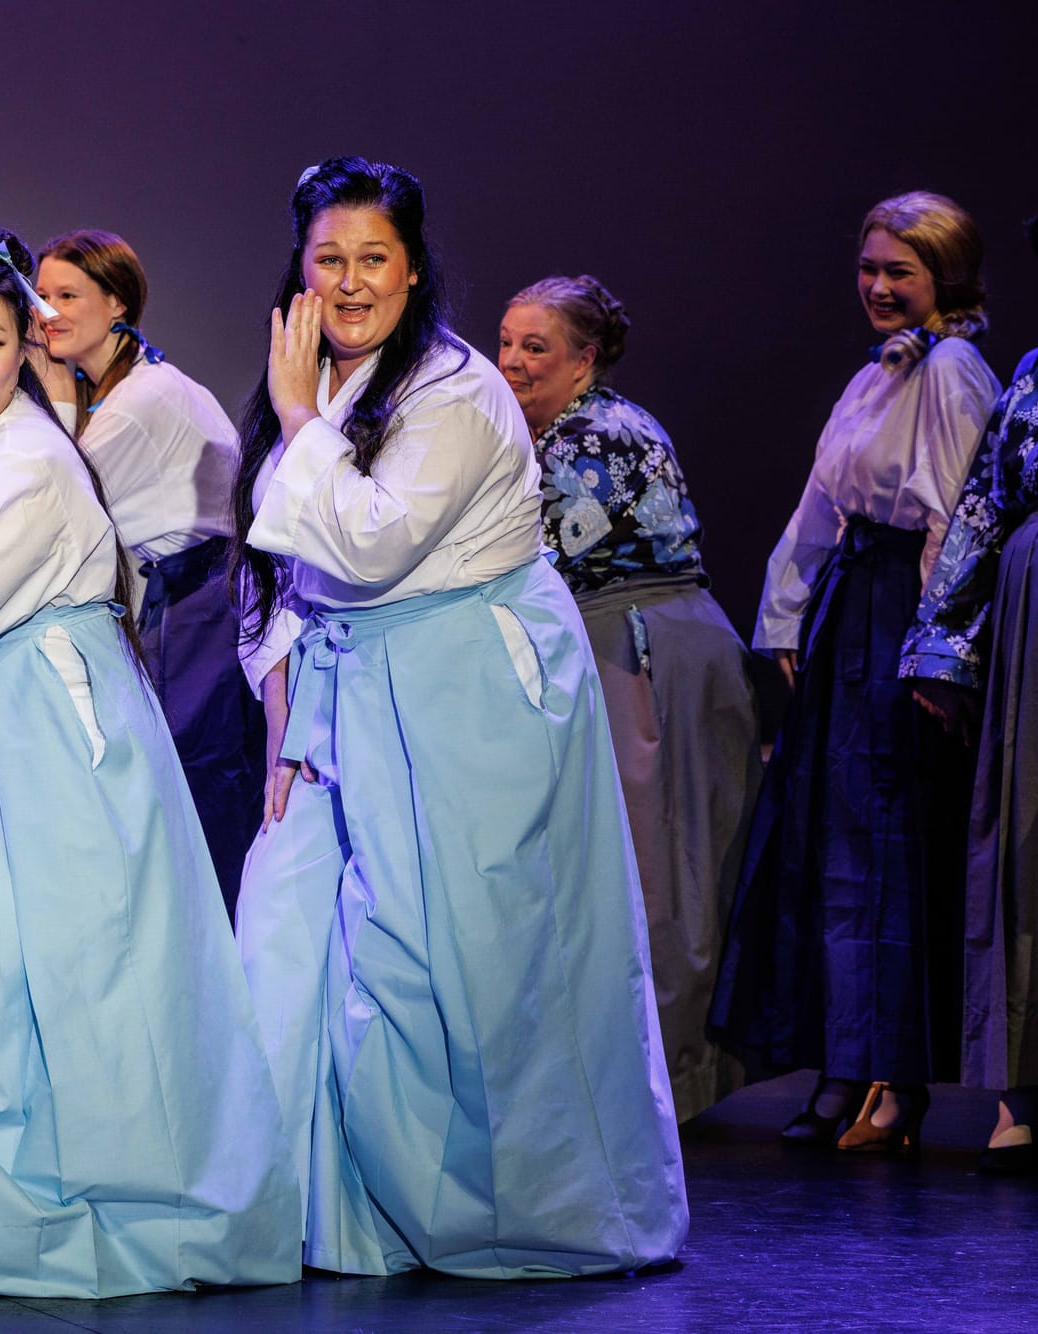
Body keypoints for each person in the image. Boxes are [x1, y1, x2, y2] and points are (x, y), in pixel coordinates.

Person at [0, 229, 301, 1296]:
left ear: (26, 342)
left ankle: (60, 1206)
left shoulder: (29, 460)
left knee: (48, 981)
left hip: (45, 747)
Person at [231, 157, 686, 1279]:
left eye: (370, 260)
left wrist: (296, 416)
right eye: (327, 259)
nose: (346, 283)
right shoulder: (328, 383)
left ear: (413, 268)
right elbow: (282, 566)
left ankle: (514, 1203)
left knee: (468, 962)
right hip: (352, 691)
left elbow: (369, 541)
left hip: (467, 689)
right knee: (302, 935)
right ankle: (324, 1208)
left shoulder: (453, 386)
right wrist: (283, 705)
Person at [712, 192, 1000, 1153]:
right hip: (853, 613)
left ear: (942, 279)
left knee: (888, 849)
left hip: (900, 620)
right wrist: (788, 620)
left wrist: (938, 650)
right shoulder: (874, 375)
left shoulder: (953, 370)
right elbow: (818, 509)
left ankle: (894, 1080)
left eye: (899, 272)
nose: (877, 287)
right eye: (869, 269)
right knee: (837, 852)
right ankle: (846, 1065)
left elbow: (962, 515)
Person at [498, 275, 760, 1122]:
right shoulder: (565, 429)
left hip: (643, 649)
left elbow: (536, 557)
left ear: (585, 359)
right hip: (637, 639)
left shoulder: (594, 439)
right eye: (505, 343)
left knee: (662, 869)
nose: (511, 362)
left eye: (535, 347)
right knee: (647, 864)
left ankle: (662, 1090)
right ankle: (650, 1081)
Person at [905, 173, 1038, 1172]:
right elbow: (980, 511)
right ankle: (1017, 1086)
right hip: (1037, 626)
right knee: (1025, 834)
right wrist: (944, 648)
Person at [34, 231, 261, 912]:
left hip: (209, 603)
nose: (47, 313)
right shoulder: (119, 383)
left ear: (118, 304)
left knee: (201, 774)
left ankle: (213, 940)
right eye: (40, 296)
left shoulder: (142, 400)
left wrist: (53, 392)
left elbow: (55, 505)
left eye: (67, 296)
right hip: (183, 594)